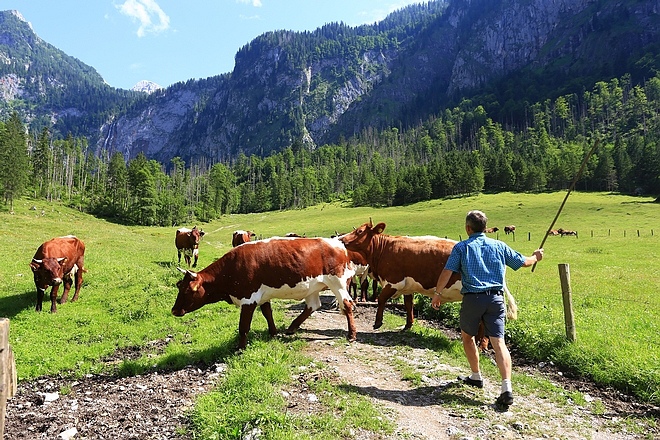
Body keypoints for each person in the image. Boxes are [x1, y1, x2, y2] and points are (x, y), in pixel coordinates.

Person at [431, 210, 543, 410]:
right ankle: (506, 388)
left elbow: (447, 271)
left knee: (467, 337)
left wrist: (438, 293)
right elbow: (524, 262)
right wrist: (536, 257)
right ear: (485, 227)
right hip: (496, 299)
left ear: (467, 228)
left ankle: (476, 375)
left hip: (473, 299)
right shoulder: (499, 245)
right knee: (498, 342)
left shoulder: (462, 248)